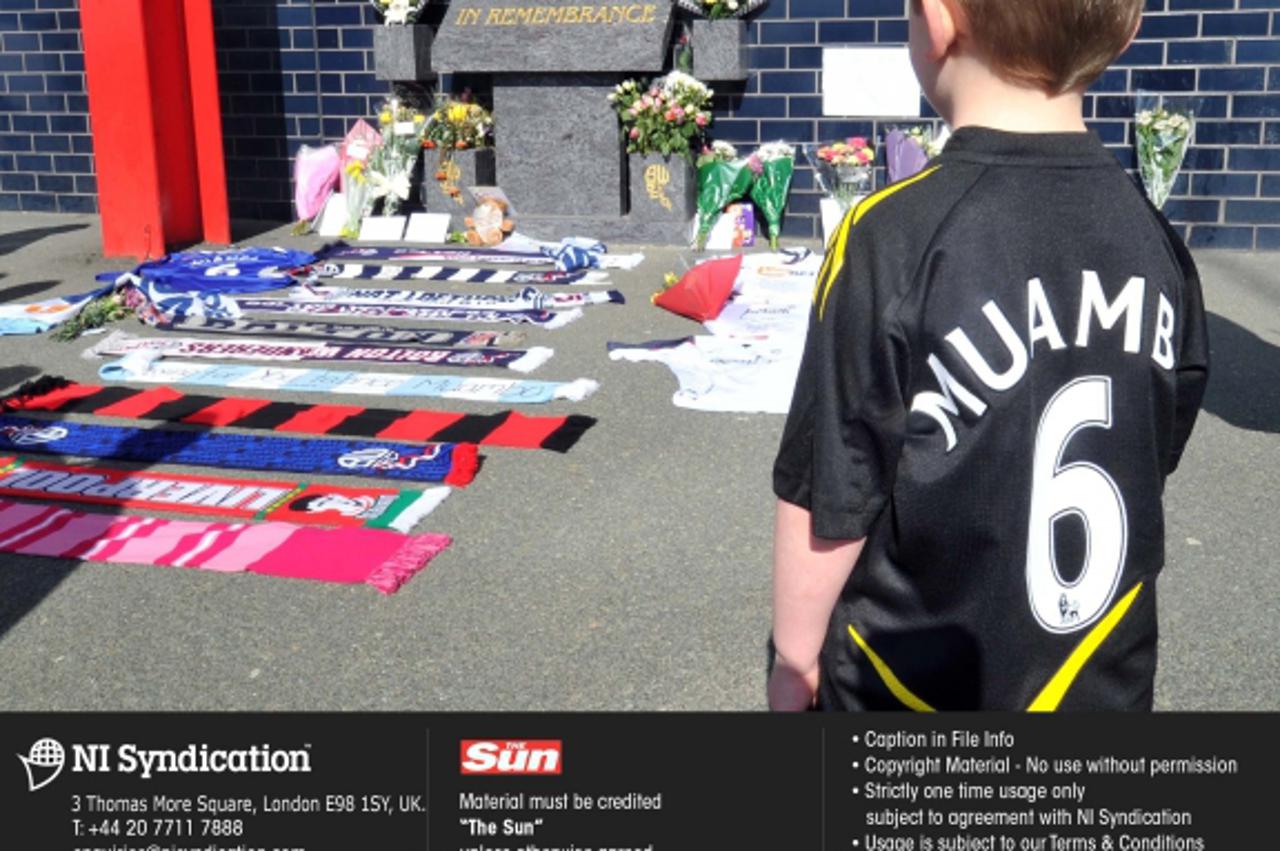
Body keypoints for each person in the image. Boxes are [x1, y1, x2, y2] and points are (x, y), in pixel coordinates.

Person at [768, 0, 1210, 711]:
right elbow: (1156, 438)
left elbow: (832, 490)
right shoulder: (1156, 241)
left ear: (939, 20)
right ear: (1128, 32)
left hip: (909, 687)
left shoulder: (889, 236)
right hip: (1101, 684)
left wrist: (794, 659)